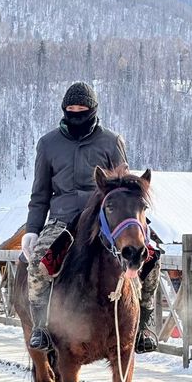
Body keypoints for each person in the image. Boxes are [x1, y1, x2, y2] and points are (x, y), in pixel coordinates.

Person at [21, 81, 160, 353]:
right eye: (71, 110)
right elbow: (40, 194)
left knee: (152, 256)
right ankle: (41, 326)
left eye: (82, 110)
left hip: (104, 220)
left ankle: (144, 324)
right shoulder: (48, 144)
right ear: (64, 110)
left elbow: (123, 186)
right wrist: (33, 230)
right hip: (63, 220)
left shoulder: (111, 141)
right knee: (37, 264)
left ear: (93, 110)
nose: (76, 114)